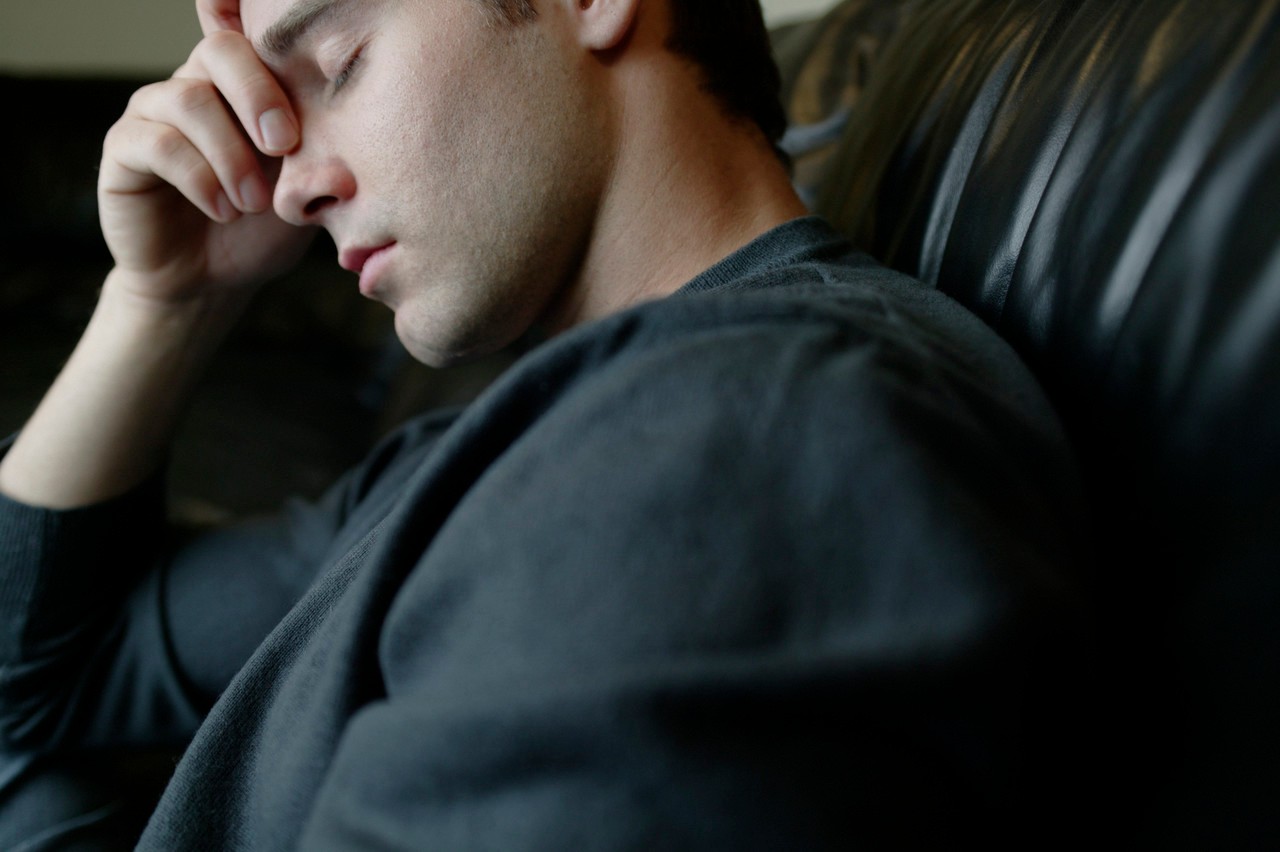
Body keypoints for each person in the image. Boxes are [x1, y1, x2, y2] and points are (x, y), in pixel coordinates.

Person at [0, 0, 1090, 847]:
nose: (284, 188)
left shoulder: (736, 437)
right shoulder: (505, 451)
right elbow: (42, 675)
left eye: (337, 64)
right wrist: (165, 304)